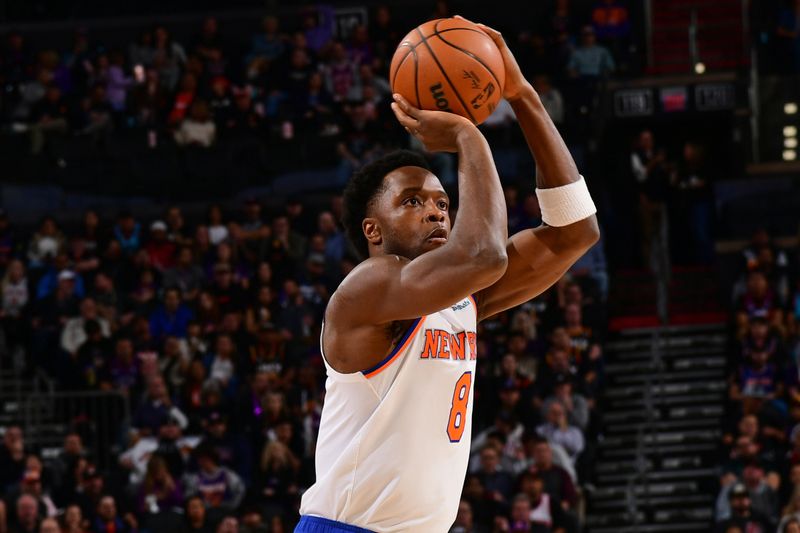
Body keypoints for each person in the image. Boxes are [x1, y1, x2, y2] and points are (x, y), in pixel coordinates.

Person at [296, 17, 599, 532]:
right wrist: (466, 134)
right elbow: (484, 255)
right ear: (373, 229)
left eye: (442, 202)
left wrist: (523, 96)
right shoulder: (366, 287)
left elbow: (575, 232)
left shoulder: (459, 301)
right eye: (412, 202)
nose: (437, 212)